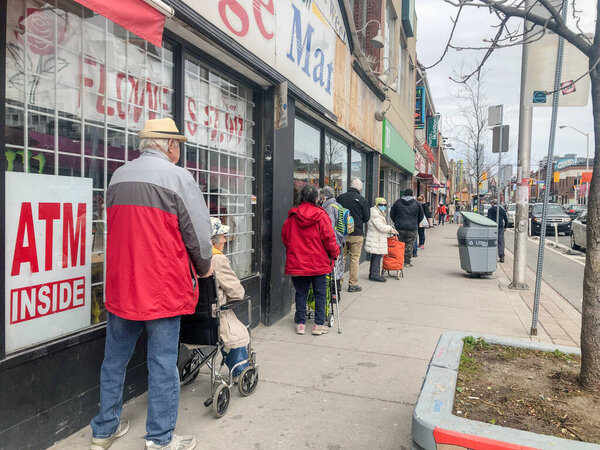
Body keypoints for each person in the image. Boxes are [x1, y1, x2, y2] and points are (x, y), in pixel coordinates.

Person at [90, 118, 213, 450]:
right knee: (161, 363)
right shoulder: (178, 178)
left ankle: (103, 431)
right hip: (161, 287)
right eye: (178, 145)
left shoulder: (118, 176)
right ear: (168, 145)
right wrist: (203, 267)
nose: (179, 151)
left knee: (114, 360)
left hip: (121, 284)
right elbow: (200, 237)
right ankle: (160, 439)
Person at [282, 185, 340, 336]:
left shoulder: (292, 216)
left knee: (301, 293)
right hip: (318, 262)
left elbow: (286, 237)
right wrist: (334, 253)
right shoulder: (321, 216)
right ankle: (318, 325)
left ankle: (301, 324)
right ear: (316, 199)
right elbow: (329, 238)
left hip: (299, 261)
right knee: (320, 293)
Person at [210, 217, 250, 378]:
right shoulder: (217, 259)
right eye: (222, 236)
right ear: (213, 240)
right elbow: (237, 292)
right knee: (235, 334)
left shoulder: (190, 256)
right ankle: (240, 370)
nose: (225, 240)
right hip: (215, 316)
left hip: (191, 318)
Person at [337, 179, 370, 292]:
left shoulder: (340, 198)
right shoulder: (362, 200)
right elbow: (366, 218)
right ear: (360, 189)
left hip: (342, 233)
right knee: (355, 259)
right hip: (356, 233)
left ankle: (338, 283)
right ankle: (353, 284)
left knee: (341, 258)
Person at [319, 186, 346, 300]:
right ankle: (336, 291)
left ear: (324, 196)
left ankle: (334, 294)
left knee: (332, 268)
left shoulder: (329, 208)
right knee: (338, 267)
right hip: (340, 240)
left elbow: (329, 228)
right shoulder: (338, 205)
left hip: (333, 242)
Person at [365, 197, 397, 282]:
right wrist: (390, 228)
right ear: (377, 205)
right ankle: (375, 274)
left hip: (377, 238)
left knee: (376, 256)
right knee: (377, 256)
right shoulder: (375, 213)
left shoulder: (379, 213)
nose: (383, 206)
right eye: (381, 204)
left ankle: (373, 274)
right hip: (376, 238)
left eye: (385, 205)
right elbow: (380, 227)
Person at [390, 189, 424, 268]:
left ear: (404, 194)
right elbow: (421, 216)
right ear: (412, 195)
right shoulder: (416, 204)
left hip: (399, 227)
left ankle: (399, 260)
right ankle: (407, 261)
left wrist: (396, 222)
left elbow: (392, 214)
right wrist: (415, 222)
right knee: (409, 244)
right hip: (412, 227)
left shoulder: (397, 202)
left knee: (399, 243)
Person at [487, 199, 509, 263]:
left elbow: (489, 219)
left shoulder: (490, 210)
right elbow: (506, 220)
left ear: (493, 204)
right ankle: (501, 256)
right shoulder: (502, 210)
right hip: (500, 228)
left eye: (491, 203)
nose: (491, 204)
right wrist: (505, 227)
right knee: (501, 243)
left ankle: (491, 256)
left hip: (492, 228)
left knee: (491, 242)